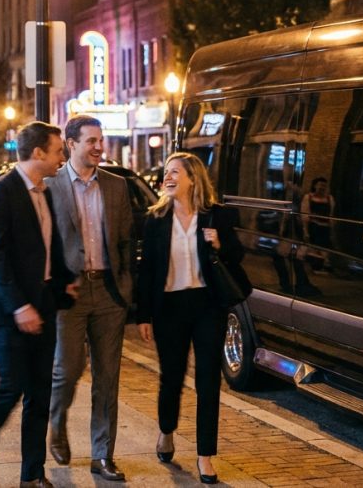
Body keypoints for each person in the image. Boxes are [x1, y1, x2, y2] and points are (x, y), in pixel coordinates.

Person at [0, 122, 76, 488]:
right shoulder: (0, 192)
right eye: (58, 151)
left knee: (40, 393)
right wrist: (18, 306)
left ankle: (32, 475)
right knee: (11, 385)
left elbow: (48, 248)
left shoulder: (44, 192)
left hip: (43, 302)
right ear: (38, 152)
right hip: (6, 309)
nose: (63, 158)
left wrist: (63, 282)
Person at [135, 152, 247, 485]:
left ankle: (205, 456)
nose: (167, 177)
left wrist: (220, 243)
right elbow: (146, 270)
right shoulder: (156, 218)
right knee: (171, 376)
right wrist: (143, 315)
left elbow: (238, 255)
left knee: (208, 380)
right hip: (169, 307)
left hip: (207, 306)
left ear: (193, 178)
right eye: (166, 172)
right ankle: (166, 430)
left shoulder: (216, 216)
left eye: (175, 172)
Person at [45, 116, 134, 481]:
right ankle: (57, 422)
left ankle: (102, 455)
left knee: (107, 377)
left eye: (101, 140)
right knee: (67, 370)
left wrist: (126, 287)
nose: (99, 147)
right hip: (70, 293)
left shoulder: (116, 185)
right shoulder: (50, 186)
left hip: (109, 293)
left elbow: (126, 240)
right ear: (71, 144)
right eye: (91, 141)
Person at [300, 177, 335, 271]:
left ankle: (321, 267)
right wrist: (306, 231)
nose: (322, 187)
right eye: (320, 185)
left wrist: (331, 231)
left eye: (324, 186)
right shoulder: (308, 197)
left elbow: (331, 216)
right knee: (312, 249)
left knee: (324, 250)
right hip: (313, 227)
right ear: (315, 186)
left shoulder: (330, 199)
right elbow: (305, 215)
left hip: (325, 229)